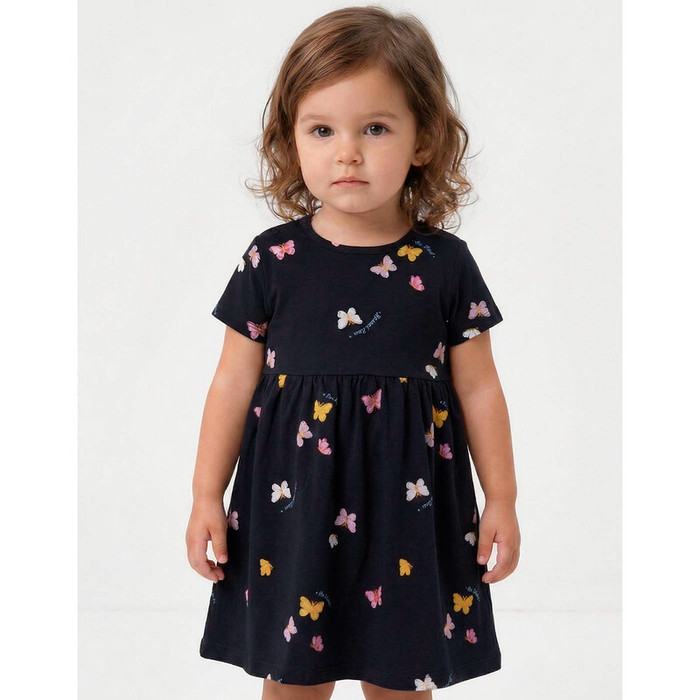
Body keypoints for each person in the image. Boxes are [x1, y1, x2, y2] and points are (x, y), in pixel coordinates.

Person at [185, 5, 520, 699]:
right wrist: (204, 496)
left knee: (401, 677)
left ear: (424, 139)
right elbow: (231, 385)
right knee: (293, 679)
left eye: (375, 128)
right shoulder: (271, 260)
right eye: (322, 130)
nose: (348, 153)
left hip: (410, 512)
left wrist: (503, 500)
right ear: (290, 140)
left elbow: (480, 388)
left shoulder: (445, 264)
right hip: (293, 510)